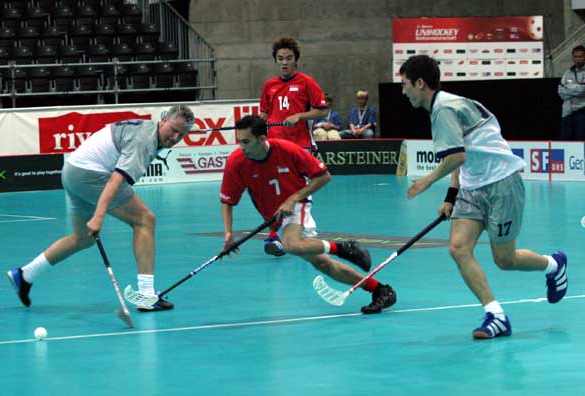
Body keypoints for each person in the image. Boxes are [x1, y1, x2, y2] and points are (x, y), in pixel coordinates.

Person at [399, 55, 567, 339]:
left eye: (405, 84)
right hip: (472, 187)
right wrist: (451, 196)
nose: (403, 91)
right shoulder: (445, 105)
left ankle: (553, 264)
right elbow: (460, 153)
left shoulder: (443, 109)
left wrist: (426, 181)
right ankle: (496, 316)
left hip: (502, 183)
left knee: (505, 259)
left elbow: (456, 157)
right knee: (458, 248)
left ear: (420, 83)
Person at [6, 105, 195, 312]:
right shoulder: (144, 141)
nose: (175, 137)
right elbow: (116, 180)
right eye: (173, 130)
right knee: (145, 220)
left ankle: (25, 275)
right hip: (90, 175)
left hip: (72, 170)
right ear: (164, 120)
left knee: (82, 238)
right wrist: (98, 216)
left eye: (181, 134)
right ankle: (146, 295)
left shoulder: (149, 129)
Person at [220, 115, 397, 314]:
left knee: (291, 245)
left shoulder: (286, 150)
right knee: (322, 263)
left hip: (297, 202)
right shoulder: (236, 162)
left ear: (262, 139)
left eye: (246, 141)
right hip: (275, 215)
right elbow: (227, 201)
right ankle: (380, 290)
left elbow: (324, 176)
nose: (241, 146)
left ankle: (343, 247)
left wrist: (293, 198)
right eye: (239, 141)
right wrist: (228, 234)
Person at [259, 37, 329, 257]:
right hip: (274, 148)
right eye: (280, 59)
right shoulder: (269, 86)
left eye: (288, 58)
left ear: (296, 59)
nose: (284, 62)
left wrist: (300, 116)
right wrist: (255, 127)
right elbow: (264, 115)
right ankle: (274, 236)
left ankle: (308, 233)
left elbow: (322, 110)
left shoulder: (307, 82)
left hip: (300, 147)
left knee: (301, 191)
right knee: (275, 192)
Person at [558, 45, 585, 140]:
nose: (578, 59)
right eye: (575, 57)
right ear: (573, 58)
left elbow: (582, 90)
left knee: (580, 141)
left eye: (580, 56)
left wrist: (568, 87)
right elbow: (560, 91)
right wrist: (576, 88)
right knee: (564, 141)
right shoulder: (567, 73)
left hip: (582, 112)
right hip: (567, 112)